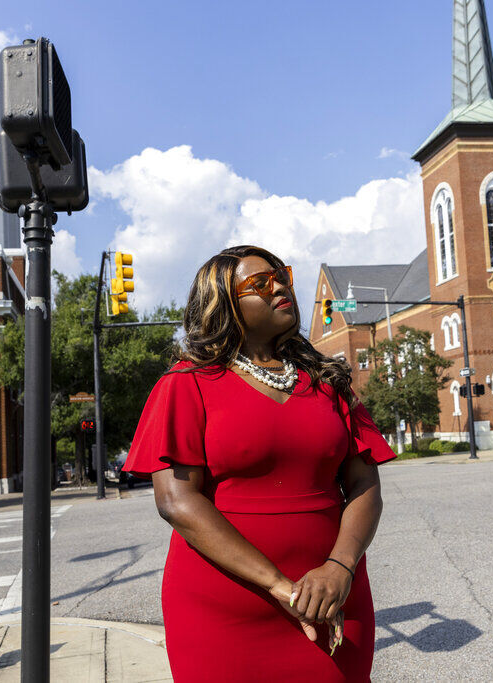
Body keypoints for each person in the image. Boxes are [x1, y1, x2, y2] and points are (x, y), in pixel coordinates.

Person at [123, 245, 395, 682]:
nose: (280, 286)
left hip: (334, 595)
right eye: (260, 283)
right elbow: (176, 500)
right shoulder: (187, 384)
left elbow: (365, 484)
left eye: (282, 275)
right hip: (223, 610)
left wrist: (339, 567)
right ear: (223, 304)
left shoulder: (329, 382)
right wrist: (279, 585)